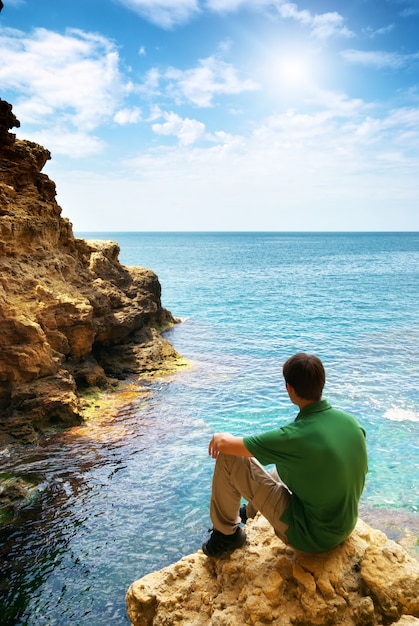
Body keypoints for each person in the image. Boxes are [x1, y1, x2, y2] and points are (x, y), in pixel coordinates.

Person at [202, 353, 368, 557]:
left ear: (289, 388)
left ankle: (226, 535)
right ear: (321, 383)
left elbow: (226, 446)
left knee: (229, 458)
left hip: (310, 537)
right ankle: (250, 513)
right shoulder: (350, 422)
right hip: (344, 525)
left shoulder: (293, 436)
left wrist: (220, 436)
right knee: (282, 465)